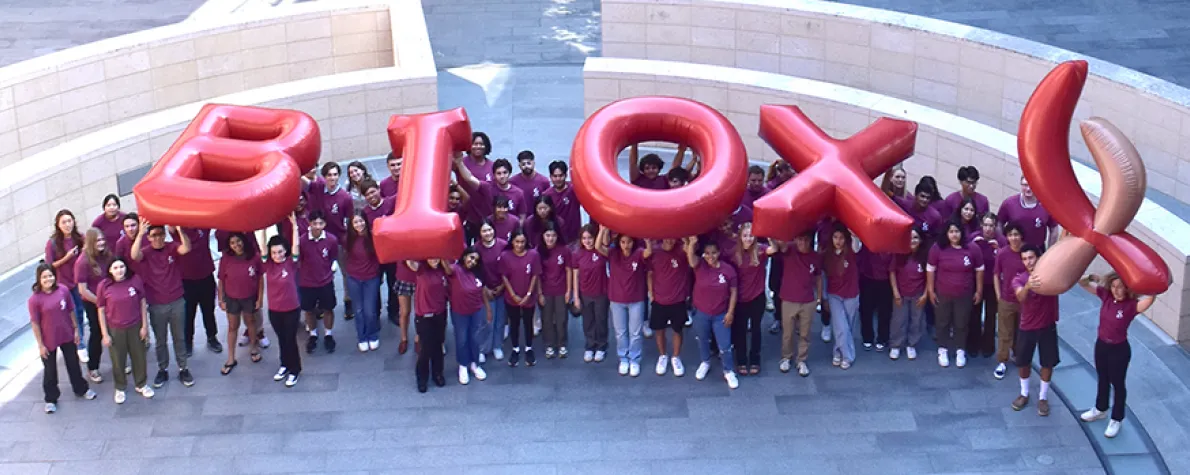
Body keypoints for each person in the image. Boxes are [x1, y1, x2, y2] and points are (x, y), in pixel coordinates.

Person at [1077, 272, 1156, 438]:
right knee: (1102, 377)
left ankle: (1117, 419)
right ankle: (1100, 409)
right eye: (1113, 286)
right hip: (1101, 345)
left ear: (1127, 288)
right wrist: (1094, 278)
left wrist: (1152, 286)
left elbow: (1149, 299)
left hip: (1119, 349)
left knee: (1118, 384)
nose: (1116, 290)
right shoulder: (1105, 296)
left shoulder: (1131, 305)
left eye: (1120, 287)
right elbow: (1082, 283)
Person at [130, 218, 194, 388]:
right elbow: (134, 255)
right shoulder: (146, 251)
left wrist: (180, 230)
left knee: (179, 337)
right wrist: (140, 234)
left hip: (177, 301)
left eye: (160, 234)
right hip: (156, 303)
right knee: (160, 339)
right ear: (149, 237)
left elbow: (186, 248)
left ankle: (183, 368)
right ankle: (162, 369)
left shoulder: (171, 247)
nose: (157, 238)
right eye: (154, 235)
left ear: (164, 234)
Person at [29, 263, 96, 413]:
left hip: (66, 335)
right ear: (39, 279)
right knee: (50, 370)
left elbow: (71, 311)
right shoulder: (35, 300)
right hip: (48, 340)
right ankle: (51, 399)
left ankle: (81, 389)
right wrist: (40, 345)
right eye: (45, 277)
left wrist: (76, 331)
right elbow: (35, 323)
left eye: (51, 275)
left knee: (73, 364)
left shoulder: (63, 290)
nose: (48, 279)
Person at [926, 221, 984, 369]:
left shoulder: (972, 248)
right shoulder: (938, 248)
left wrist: (979, 290)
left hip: (964, 294)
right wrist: (931, 290)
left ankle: (960, 350)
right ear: (946, 233)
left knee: (961, 323)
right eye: (951, 231)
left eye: (957, 231)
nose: (954, 235)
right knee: (942, 322)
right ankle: (943, 349)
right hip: (943, 293)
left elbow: (979, 269)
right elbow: (930, 269)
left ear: (962, 232)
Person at [684, 238, 740, 389]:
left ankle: (728, 371)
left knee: (725, 345)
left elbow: (734, 292)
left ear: (719, 253)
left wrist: (730, 312)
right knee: (702, 339)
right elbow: (690, 258)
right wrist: (693, 243)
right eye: (707, 253)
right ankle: (705, 362)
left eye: (713, 253)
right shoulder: (700, 266)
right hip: (701, 313)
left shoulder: (728, 270)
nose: (710, 256)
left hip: (721, 314)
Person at [1010, 245, 1059, 416]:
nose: (1028, 262)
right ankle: (1024, 393)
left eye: (1031, 257)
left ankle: (1043, 397)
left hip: (1047, 326)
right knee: (1023, 362)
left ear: (1039, 257)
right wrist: (1028, 286)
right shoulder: (1019, 279)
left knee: (1048, 362)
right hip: (1027, 326)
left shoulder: (1051, 275)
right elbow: (1020, 297)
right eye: (1024, 259)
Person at [96, 258, 153, 403]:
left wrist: (144, 326)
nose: (119, 270)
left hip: (135, 326)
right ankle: (120, 387)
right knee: (118, 359)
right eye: (115, 268)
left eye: (121, 266)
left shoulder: (135, 280)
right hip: (115, 329)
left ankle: (141, 383)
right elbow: (101, 310)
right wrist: (105, 334)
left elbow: (142, 302)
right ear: (109, 270)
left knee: (139, 356)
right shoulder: (104, 286)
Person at [305, 163, 354, 320]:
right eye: (329, 175)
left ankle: (348, 300)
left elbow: (349, 220)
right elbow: (302, 180)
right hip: (320, 240)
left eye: (335, 174)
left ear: (339, 175)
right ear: (324, 177)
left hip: (339, 241)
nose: (332, 178)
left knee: (346, 273)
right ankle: (321, 303)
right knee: (320, 272)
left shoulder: (345, 197)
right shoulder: (317, 188)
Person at [731, 223, 775, 375]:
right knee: (740, 330)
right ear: (740, 237)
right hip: (740, 298)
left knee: (756, 329)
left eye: (751, 235)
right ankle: (741, 360)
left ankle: (755, 359)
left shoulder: (761, 250)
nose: (748, 238)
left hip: (757, 297)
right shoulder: (733, 253)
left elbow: (773, 249)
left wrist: (769, 236)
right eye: (745, 235)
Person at [643, 236, 691, 377]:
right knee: (659, 330)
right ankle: (663, 355)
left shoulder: (682, 251)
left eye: (672, 238)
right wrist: (651, 294)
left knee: (678, 330)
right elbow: (650, 274)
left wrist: (688, 240)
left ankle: (676, 357)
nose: (670, 241)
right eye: (667, 238)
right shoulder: (655, 252)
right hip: (659, 300)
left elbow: (691, 255)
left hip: (678, 300)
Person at [217, 232, 264, 374]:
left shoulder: (254, 256)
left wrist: (260, 298)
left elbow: (260, 278)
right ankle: (231, 358)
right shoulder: (226, 258)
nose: (236, 245)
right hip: (232, 298)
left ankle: (254, 348)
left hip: (249, 297)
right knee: (233, 326)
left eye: (238, 241)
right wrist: (221, 299)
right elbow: (221, 280)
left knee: (250, 322)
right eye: (232, 243)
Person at [263, 223, 303, 388]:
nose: (277, 255)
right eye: (273, 252)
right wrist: (261, 224)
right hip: (274, 310)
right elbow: (262, 247)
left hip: (291, 309)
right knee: (281, 339)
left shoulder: (291, 263)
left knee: (290, 339)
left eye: (280, 251)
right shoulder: (268, 265)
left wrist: (294, 226)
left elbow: (296, 246)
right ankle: (284, 364)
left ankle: (295, 369)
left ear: (285, 251)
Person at [777, 231, 822, 376]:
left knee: (805, 333)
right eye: (799, 239)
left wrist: (819, 298)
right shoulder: (789, 249)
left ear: (810, 240)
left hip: (807, 300)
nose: (802, 243)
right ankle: (786, 357)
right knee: (788, 333)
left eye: (805, 239)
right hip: (789, 299)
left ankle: (801, 360)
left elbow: (818, 277)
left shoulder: (815, 256)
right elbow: (779, 244)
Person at [171, 227, 221, 356]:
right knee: (188, 314)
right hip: (186, 280)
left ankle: (212, 337)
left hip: (206, 276)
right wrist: (179, 227)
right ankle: (188, 342)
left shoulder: (202, 227)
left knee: (208, 311)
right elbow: (169, 224)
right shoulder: (177, 231)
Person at [45, 210, 87, 363]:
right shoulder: (53, 243)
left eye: (70, 221)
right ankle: (80, 345)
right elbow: (50, 265)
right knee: (73, 314)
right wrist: (66, 258)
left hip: (79, 282)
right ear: (58, 224)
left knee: (81, 312)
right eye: (64, 222)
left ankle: (79, 340)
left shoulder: (80, 238)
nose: (67, 224)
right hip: (64, 285)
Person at [604, 231, 647, 376]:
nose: (626, 245)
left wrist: (647, 239)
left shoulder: (639, 253)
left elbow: (648, 253)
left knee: (635, 332)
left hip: (636, 299)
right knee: (620, 332)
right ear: (619, 243)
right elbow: (598, 247)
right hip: (616, 299)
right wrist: (603, 229)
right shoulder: (613, 253)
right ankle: (623, 358)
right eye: (623, 242)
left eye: (629, 242)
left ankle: (634, 359)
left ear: (633, 242)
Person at [498, 228, 541, 367]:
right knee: (514, 323)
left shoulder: (533, 255)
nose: (520, 245)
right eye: (517, 242)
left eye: (522, 242)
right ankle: (515, 348)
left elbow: (535, 275)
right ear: (512, 242)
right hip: (512, 297)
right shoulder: (505, 256)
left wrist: (529, 294)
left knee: (528, 323)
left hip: (529, 296)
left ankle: (529, 348)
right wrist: (513, 294)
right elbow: (504, 276)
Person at [447, 247, 490, 384]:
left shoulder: (478, 273)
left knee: (475, 338)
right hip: (459, 312)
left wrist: (488, 309)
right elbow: (447, 269)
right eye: (471, 257)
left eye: (476, 260)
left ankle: (474, 364)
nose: (472, 261)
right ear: (464, 256)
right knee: (462, 339)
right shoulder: (456, 269)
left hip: (476, 311)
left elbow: (483, 291)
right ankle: (463, 365)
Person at [298, 211, 339, 354]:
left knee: (328, 309)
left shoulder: (332, 240)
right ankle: (313, 335)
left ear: (325, 224)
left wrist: (331, 270)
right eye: (314, 223)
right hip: (307, 282)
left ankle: (328, 334)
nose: (317, 226)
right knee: (309, 311)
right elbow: (299, 260)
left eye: (320, 223)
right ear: (309, 223)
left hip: (325, 281)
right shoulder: (302, 241)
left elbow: (333, 256)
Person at [73, 228, 110, 382]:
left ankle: (118, 362)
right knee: (97, 333)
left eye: (102, 240)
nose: (101, 243)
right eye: (97, 240)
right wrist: (100, 303)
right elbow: (83, 290)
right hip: (93, 303)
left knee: (114, 332)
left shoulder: (106, 255)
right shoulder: (82, 262)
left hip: (109, 301)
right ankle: (93, 367)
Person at [408, 259, 450, 391]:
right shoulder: (421, 269)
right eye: (431, 257)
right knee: (426, 348)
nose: (434, 260)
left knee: (438, 345)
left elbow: (451, 272)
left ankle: (438, 374)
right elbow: (410, 262)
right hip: (424, 316)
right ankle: (422, 378)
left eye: (436, 257)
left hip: (440, 313)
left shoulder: (443, 269)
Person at [992, 223, 1027, 379]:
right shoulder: (1002, 253)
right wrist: (998, 295)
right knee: (1004, 332)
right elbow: (995, 274)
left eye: (1016, 234)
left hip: (1025, 300)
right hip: (1006, 298)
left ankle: (1019, 355)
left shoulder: (1028, 253)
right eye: (1010, 235)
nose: (1014, 238)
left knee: (1022, 331)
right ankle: (1002, 361)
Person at [823, 223, 861, 370]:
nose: (838, 241)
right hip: (834, 295)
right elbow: (824, 276)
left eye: (841, 238)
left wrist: (854, 234)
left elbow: (857, 246)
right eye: (835, 237)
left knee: (848, 327)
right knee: (840, 327)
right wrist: (824, 297)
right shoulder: (827, 254)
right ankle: (848, 357)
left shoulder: (851, 251)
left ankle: (838, 352)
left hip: (851, 294)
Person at [572, 225, 610, 363]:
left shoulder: (601, 251)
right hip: (585, 293)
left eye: (590, 238)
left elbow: (605, 242)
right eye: (584, 238)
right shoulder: (577, 254)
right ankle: (590, 346)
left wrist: (603, 230)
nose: (587, 241)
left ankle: (601, 346)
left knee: (601, 320)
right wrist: (575, 297)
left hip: (601, 292)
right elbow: (575, 276)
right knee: (588, 321)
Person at [888, 227, 928, 360]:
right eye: (910, 237)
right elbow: (892, 272)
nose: (913, 240)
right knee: (899, 320)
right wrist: (896, 293)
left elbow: (929, 276)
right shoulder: (899, 255)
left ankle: (911, 344)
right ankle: (896, 345)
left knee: (916, 320)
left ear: (921, 240)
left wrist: (925, 294)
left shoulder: (924, 256)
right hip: (901, 294)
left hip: (918, 294)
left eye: (916, 237)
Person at [344, 212, 382, 352]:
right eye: (355, 222)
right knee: (358, 311)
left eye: (361, 221)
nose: (359, 225)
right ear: (351, 225)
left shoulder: (373, 237)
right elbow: (345, 256)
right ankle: (362, 337)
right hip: (354, 278)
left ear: (365, 221)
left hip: (371, 278)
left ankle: (372, 335)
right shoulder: (348, 239)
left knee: (370, 311)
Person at [968, 213, 1003, 359]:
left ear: (995, 227)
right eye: (986, 225)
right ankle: (972, 344)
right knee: (974, 314)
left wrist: (998, 249)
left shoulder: (1001, 241)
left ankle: (988, 345)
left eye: (991, 226)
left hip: (993, 285)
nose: (988, 229)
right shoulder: (973, 239)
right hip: (976, 283)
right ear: (981, 225)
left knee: (990, 315)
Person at [538, 222, 571, 358]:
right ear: (543, 236)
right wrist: (539, 293)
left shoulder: (564, 250)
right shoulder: (538, 251)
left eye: (553, 235)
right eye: (547, 235)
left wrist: (569, 291)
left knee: (561, 318)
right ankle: (549, 345)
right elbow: (537, 274)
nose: (550, 238)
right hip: (546, 290)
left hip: (561, 290)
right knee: (547, 319)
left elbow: (568, 270)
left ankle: (562, 344)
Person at [476, 222, 508, 361]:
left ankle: (497, 345)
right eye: (484, 231)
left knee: (500, 320)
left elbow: (509, 267)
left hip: (502, 288)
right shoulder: (476, 248)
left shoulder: (503, 245)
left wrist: (502, 286)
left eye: (489, 230)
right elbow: (474, 271)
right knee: (486, 320)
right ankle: (483, 348)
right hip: (485, 290)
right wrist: (485, 289)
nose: (488, 233)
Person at [997, 176, 1058, 249]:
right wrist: (1003, 243)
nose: (1028, 189)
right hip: (1014, 249)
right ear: (1021, 185)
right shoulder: (1009, 203)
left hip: (1037, 251)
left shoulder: (1047, 205)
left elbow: (1054, 228)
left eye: (1032, 185)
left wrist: (1050, 250)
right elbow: (999, 223)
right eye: (1025, 185)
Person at [857, 236, 893, 352]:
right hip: (867, 277)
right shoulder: (867, 237)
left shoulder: (889, 241)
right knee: (866, 309)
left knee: (885, 311)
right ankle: (867, 337)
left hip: (885, 279)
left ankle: (882, 338)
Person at [545, 161, 581, 243]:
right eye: (555, 176)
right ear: (550, 177)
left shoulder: (575, 189)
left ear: (566, 175)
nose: (558, 179)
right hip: (555, 240)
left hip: (574, 238)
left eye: (561, 176)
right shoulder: (546, 195)